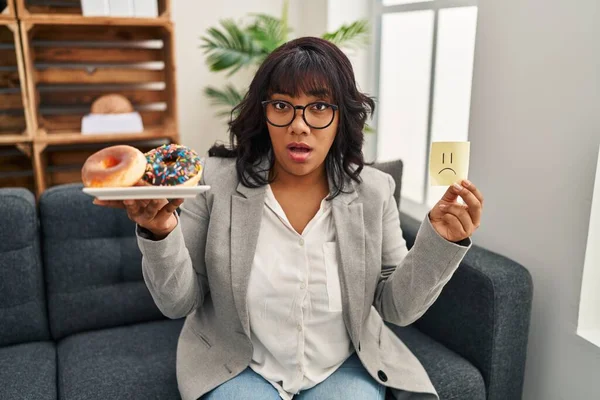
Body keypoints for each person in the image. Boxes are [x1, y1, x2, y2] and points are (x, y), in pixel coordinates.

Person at [94, 37, 483, 400]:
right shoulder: (214, 181)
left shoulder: (374, 190)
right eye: (282, 105)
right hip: (239, 365)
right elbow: (179, 303)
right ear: (263, 113)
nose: (299, 124)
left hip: (344, 365)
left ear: (340, 117)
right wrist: (159, 231)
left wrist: (440, 241)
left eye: (318, 107)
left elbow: (396, 308)